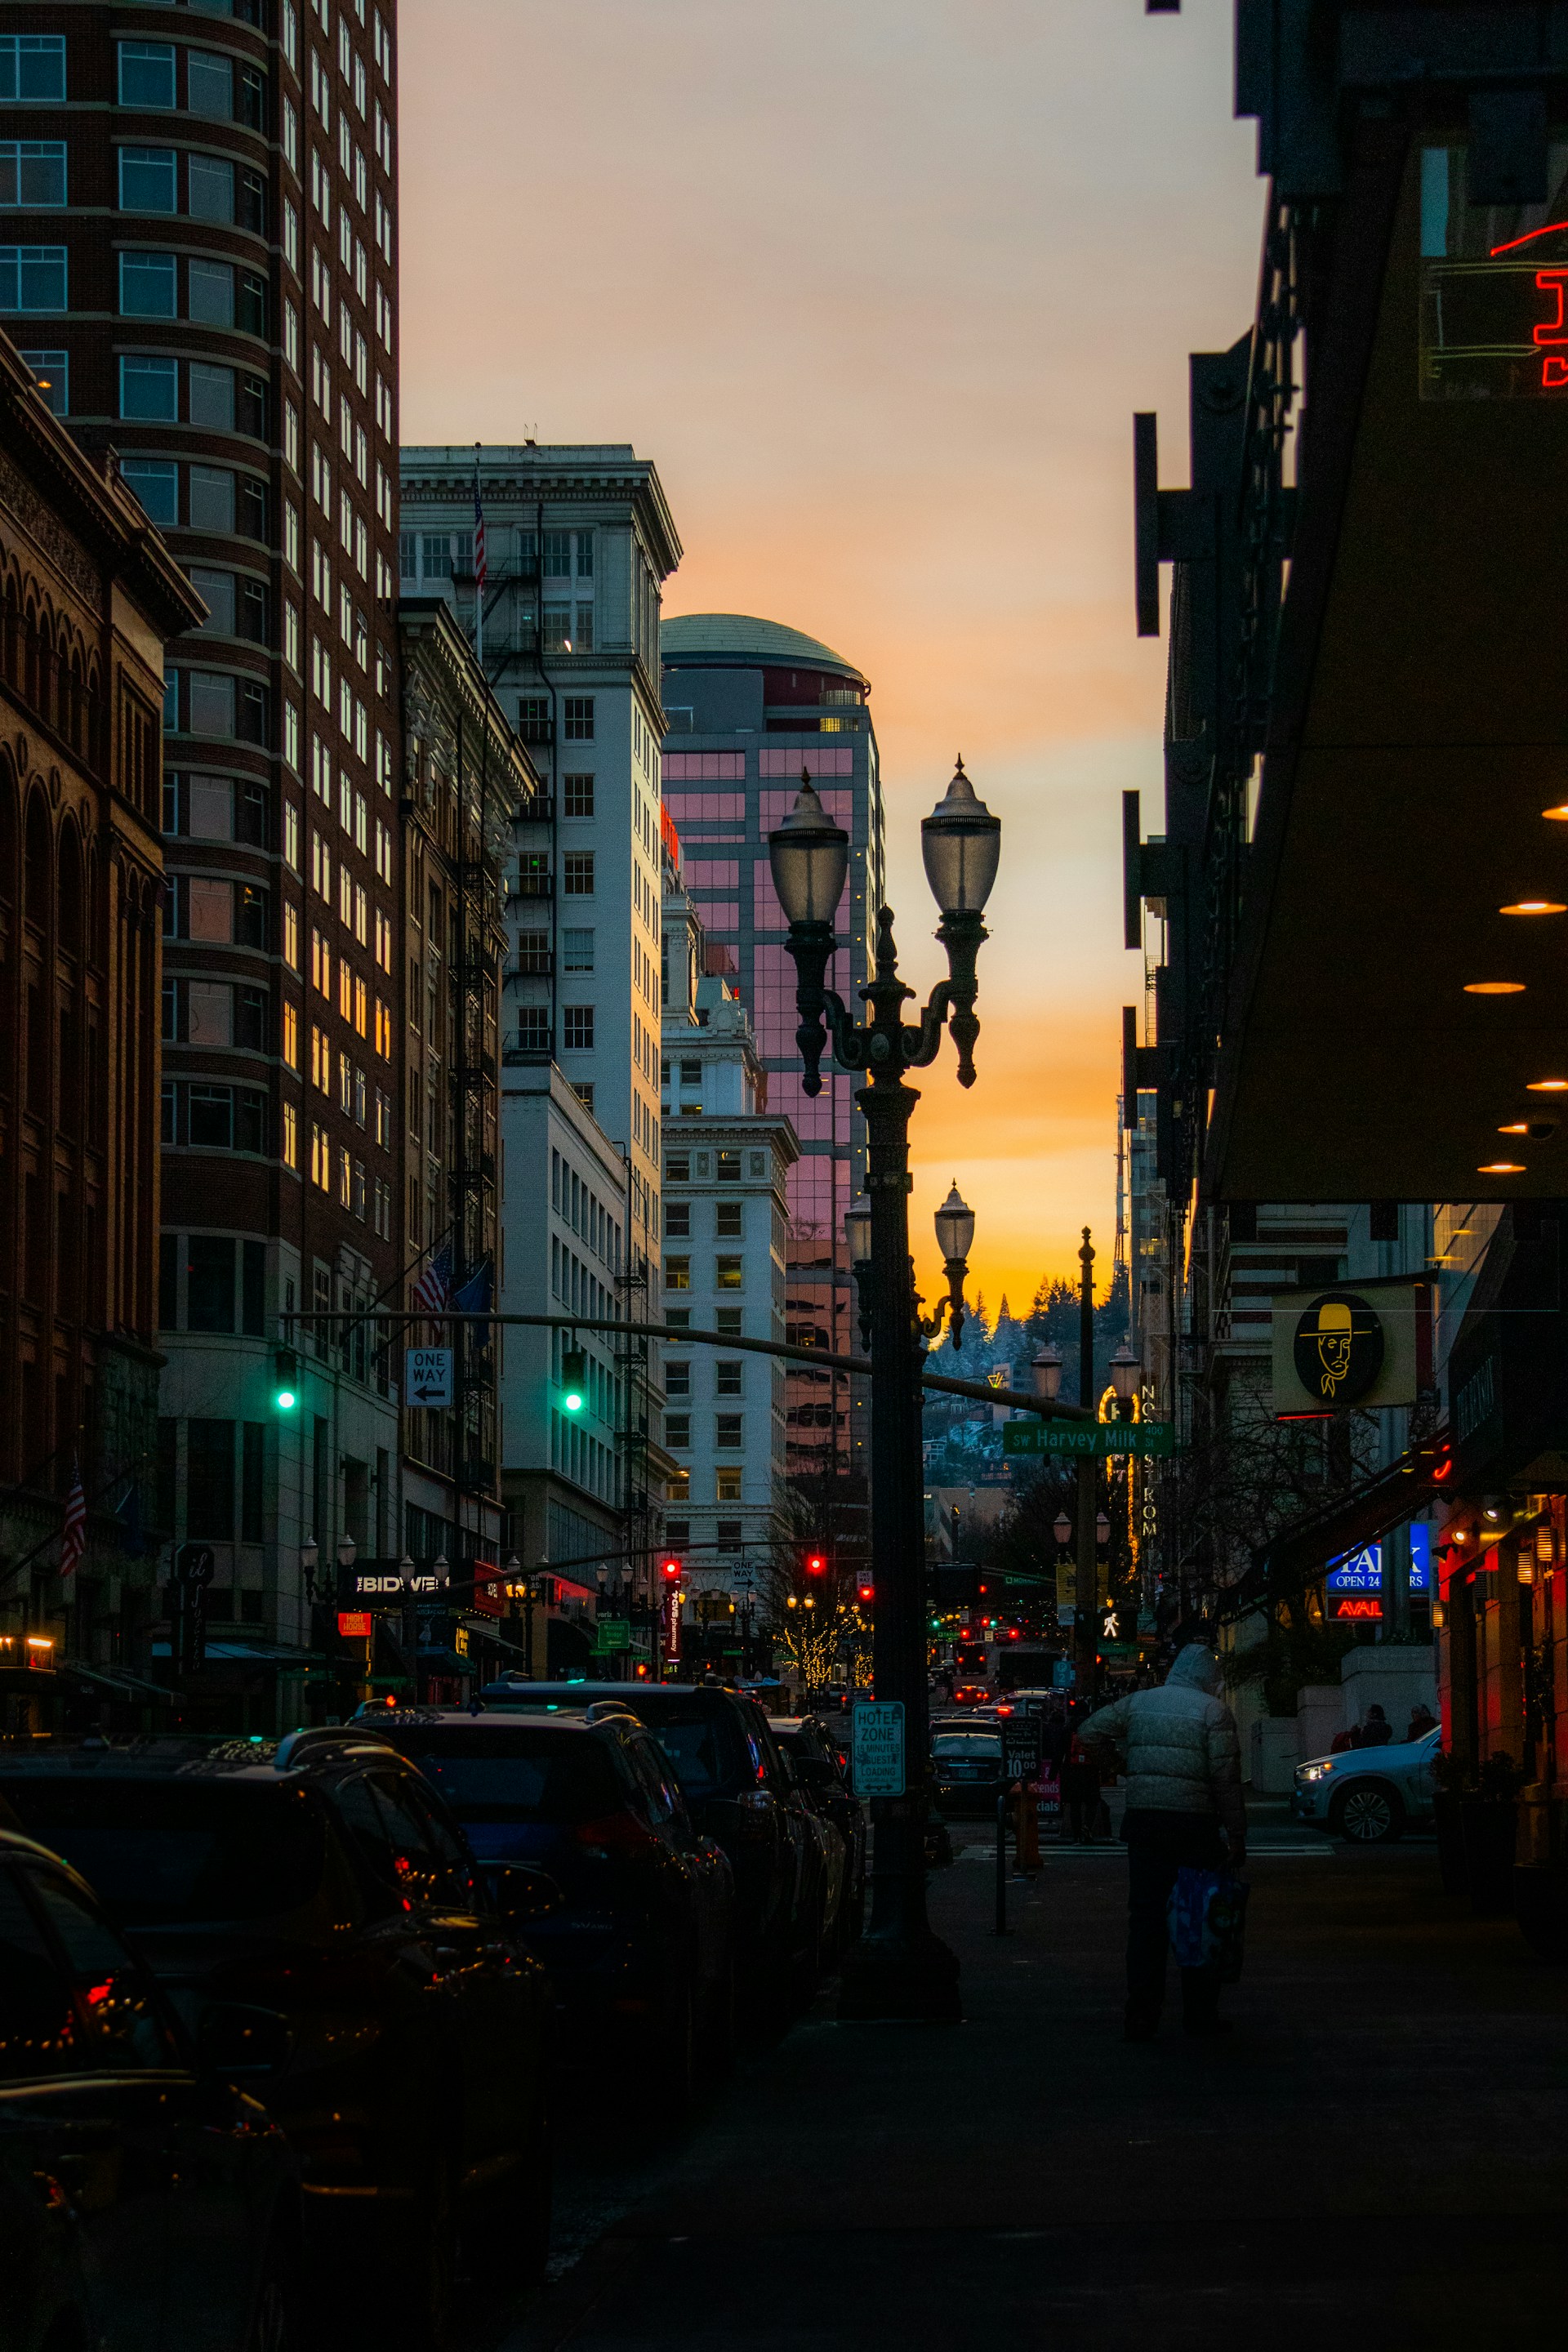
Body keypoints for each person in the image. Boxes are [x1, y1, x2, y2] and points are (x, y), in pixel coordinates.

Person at [1078, 1644, 1246, 2042]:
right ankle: (1200, 2016)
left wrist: (1122, 1767)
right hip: (1196, 1829)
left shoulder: (1139, 1703)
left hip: (1146, 1826)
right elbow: (1226, 1782)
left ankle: (1141, 2014)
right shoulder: (1214, 1712)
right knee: (1198, 1923)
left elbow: (1088, 1734)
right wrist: (1237, 1835)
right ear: (1209, 1678)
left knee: (1146, 1925)